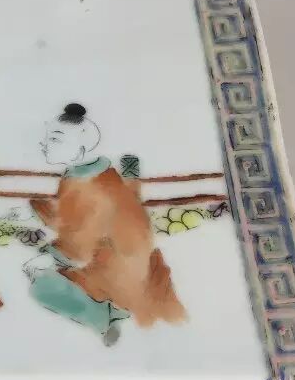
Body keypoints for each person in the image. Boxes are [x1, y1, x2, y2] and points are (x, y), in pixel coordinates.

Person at [11, 103, 185, 345]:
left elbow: (78, 242)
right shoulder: (103, 175)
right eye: (47, 137)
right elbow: (81, 216)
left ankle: (100, 317)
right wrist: (35, 210)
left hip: (114, 268)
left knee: (41, 286)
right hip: (133, 261)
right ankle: (115, 309)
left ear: (81, 148)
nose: (44, 144)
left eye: (56, 139)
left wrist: (48, 257)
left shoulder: (84, 184)